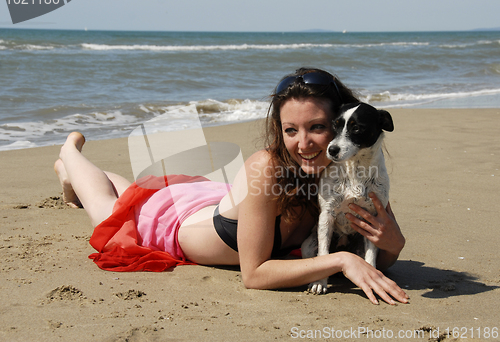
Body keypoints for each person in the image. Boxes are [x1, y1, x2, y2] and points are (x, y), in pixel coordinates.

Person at [54, 67, 408, 305]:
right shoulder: (267, 168)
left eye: (317, 127)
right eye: (290, 131)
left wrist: (394, 240)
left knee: (134, 191)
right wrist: (341, 260)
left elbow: (384, 250)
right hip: (175, 227)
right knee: (108, 207)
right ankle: (69, 153)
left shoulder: (353, 171)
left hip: (218, 202)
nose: (303, 144)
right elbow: (253, 275)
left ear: (343, 123)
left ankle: (78, 169)